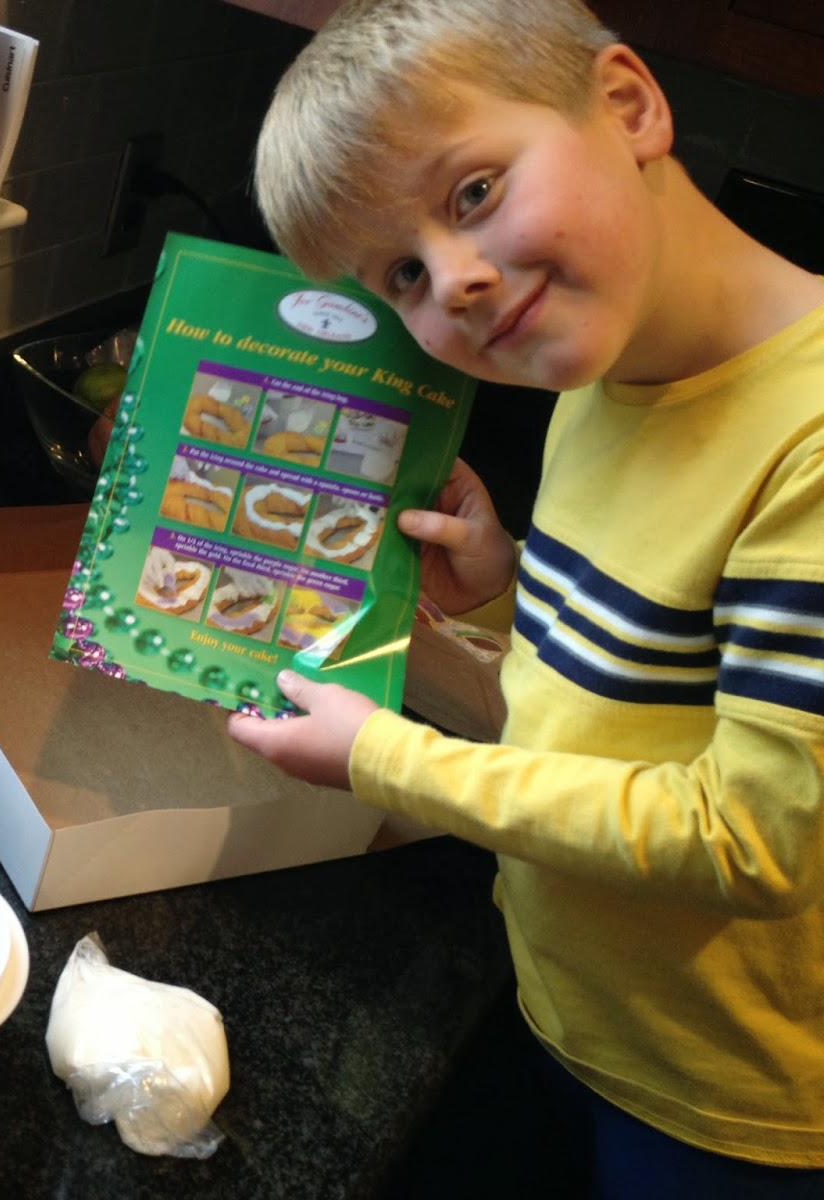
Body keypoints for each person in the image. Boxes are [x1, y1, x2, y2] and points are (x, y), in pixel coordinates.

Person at [229, 0, 824, 1194]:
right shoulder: (600, 378)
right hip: (571, 1006)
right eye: (401, 273)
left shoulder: (804, 443)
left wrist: (386, 760)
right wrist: (504, 594)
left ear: (629, 106)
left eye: (472, 192)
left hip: (724, 1101)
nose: (453, 280)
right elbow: (636, 700)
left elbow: (752, 838)